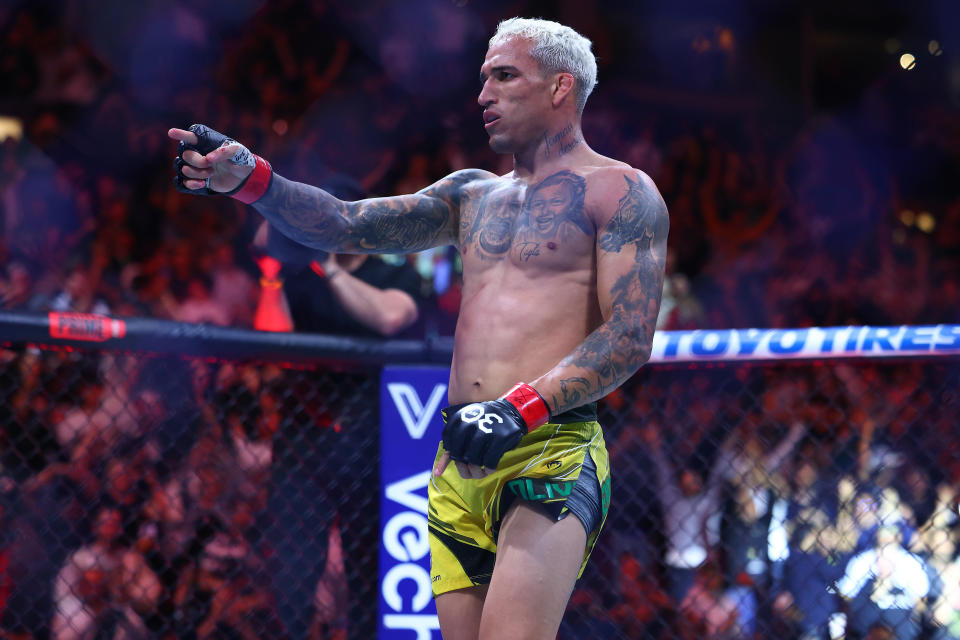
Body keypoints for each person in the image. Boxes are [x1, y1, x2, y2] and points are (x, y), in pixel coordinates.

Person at [168, 16, 668, 639]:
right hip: (459, 454)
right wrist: (253, 181)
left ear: (561, 87)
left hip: (550, 449)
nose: (484, 95)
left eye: (505, 77)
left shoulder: (620, 191)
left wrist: (521, 408)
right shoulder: (471, 194)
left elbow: (630, 335)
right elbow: (346, 224)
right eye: (483, 78)